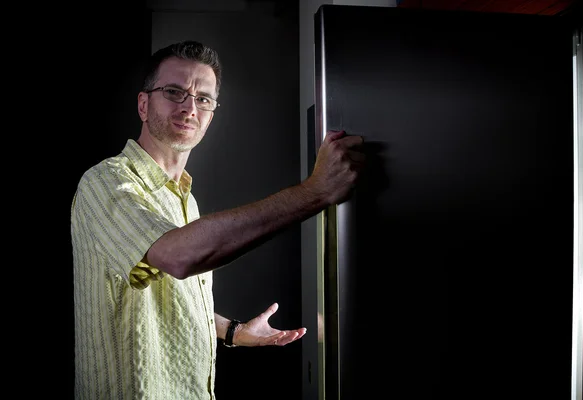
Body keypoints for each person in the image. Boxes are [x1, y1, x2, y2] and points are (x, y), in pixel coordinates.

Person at [70, 40, 365, 399]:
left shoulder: (186, 201)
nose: (190, 107)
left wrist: (232, 331)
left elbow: (171, 304)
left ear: (211, 115)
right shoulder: (105, 183)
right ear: (143, 104)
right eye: (174, 92)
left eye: (203, 99)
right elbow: (177, 257)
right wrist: (315, 192)